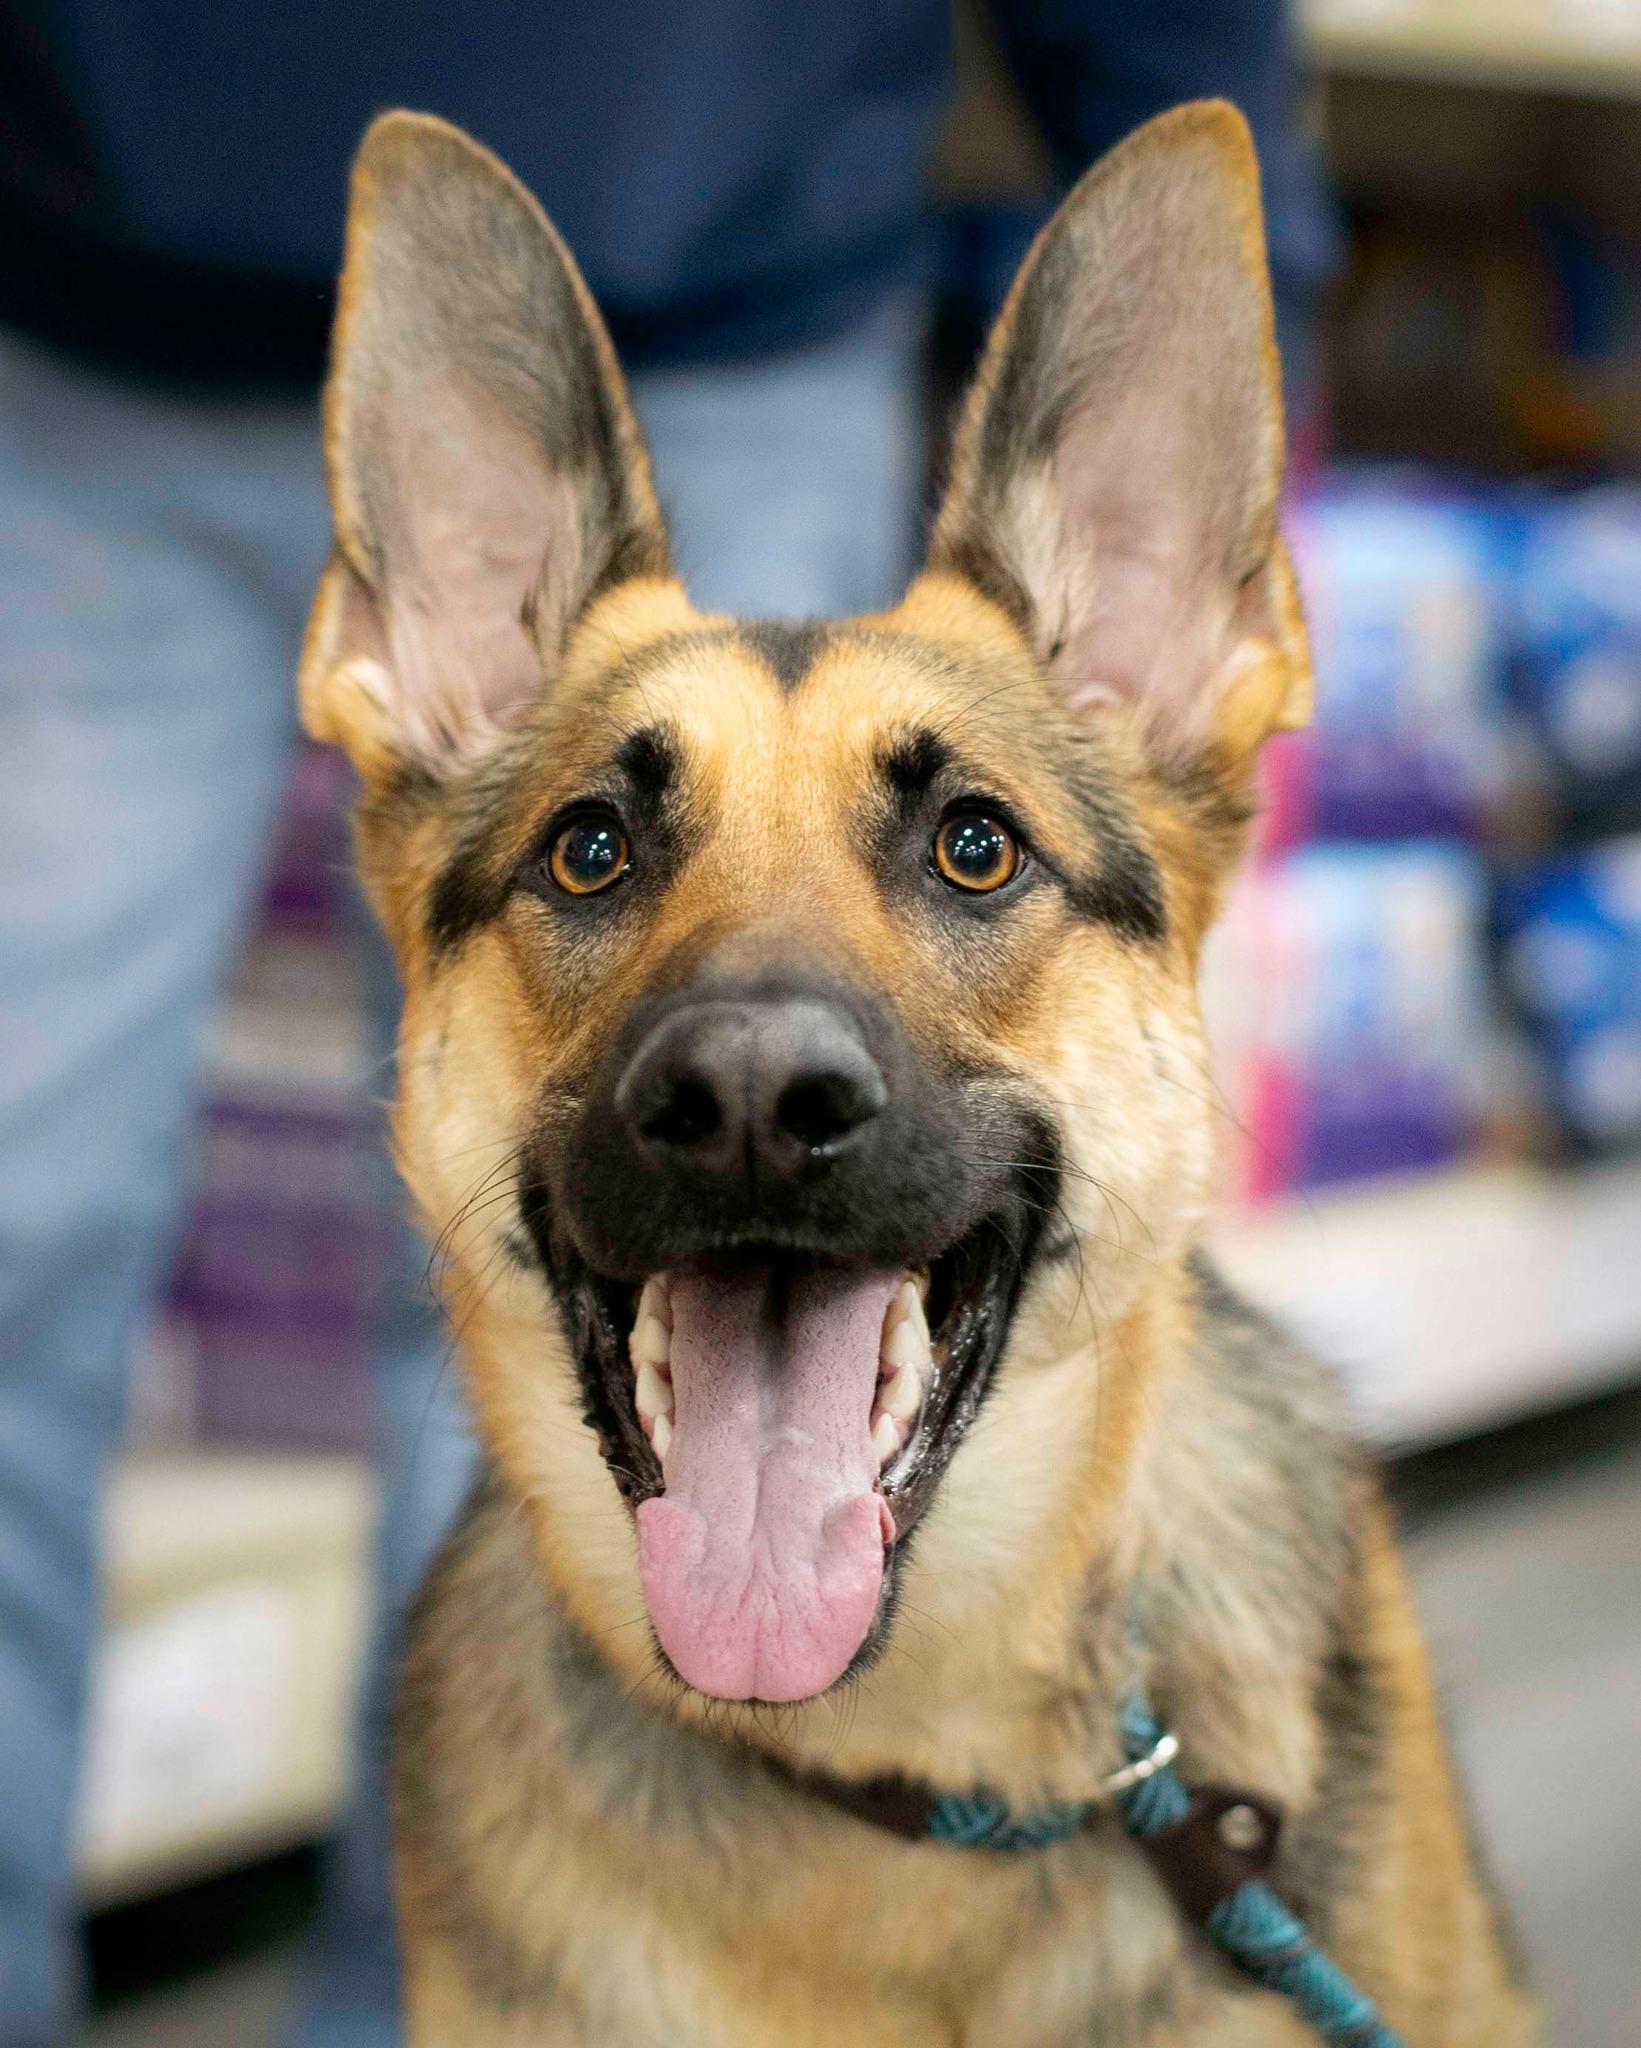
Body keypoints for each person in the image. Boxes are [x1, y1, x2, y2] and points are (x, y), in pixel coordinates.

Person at [0, 6, 1332, 2042]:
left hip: (746, 260)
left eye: (967, 852)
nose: (750, 1050)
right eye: (605, 854)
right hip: (75, 286)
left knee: (526, 1325)